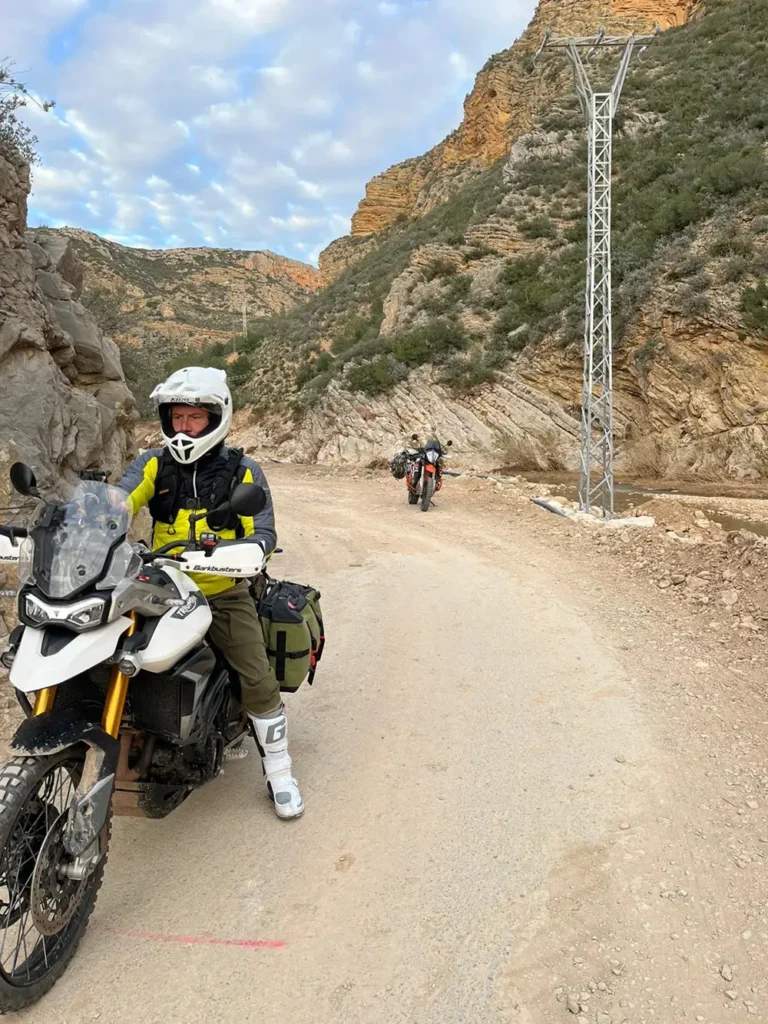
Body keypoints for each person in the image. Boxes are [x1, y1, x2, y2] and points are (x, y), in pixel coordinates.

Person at [118, 366, 303, 820]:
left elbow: (263, 531)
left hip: (222, 590)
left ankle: (280, 771)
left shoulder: (243, 470)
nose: (184, 427)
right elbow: (119, 500)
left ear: (216, 419)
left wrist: (249, 550)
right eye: (177, 417)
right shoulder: (153, 463)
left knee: (255, 674)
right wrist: (91, 519)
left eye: (195, 418)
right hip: (160, 587)